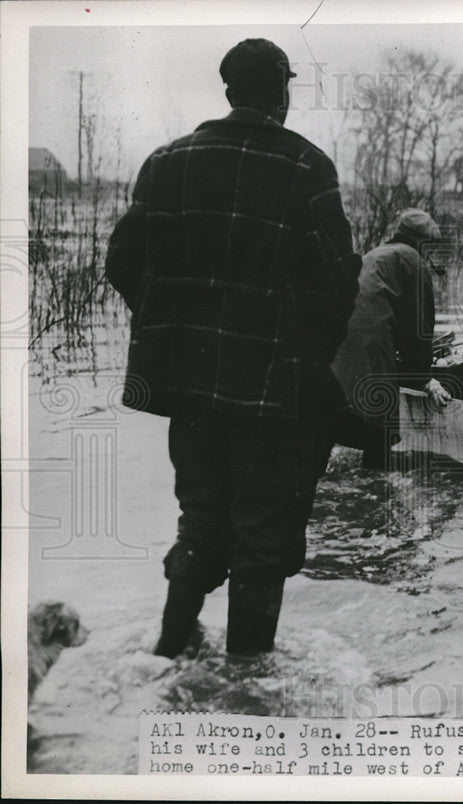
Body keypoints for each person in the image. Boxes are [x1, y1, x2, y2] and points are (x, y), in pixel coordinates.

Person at [105, 39, 362, 659]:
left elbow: (121, 263)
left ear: (228, 92)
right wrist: (303, 356)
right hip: (274, 391)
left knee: (200, 519)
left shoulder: (164, 161)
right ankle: (248, 684)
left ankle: (168, 653)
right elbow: (339, 280)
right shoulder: (307, 166)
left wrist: (174, 333)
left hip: (188, 389)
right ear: (281, 93)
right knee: (264, 536)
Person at [332, 209, 452, 470]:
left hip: (337, 339)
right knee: (380, 426)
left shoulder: (377, 254)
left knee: (338, 416)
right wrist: (424, 377)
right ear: (424, 242)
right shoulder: (414, 262)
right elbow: (418, 328)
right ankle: (375, 489)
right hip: (369, 340)